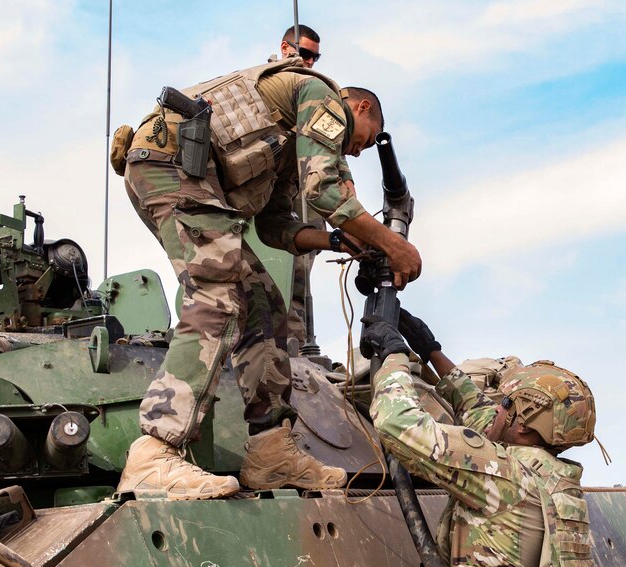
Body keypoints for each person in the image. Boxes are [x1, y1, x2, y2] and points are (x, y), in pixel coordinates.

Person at [115, 56, 421, 499]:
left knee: (262, 307)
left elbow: (273, 226)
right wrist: (394, 246)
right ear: (359, 109)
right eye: (365, 141)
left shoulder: (288, 140)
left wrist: (338, 242)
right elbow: (327, 190)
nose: (357, 151)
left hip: (187, 175)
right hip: (171, 167)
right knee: (217, 293)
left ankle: (271, 453)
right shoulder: (323, 97)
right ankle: (154, 454)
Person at [362, 311, 603, 567]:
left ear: (525, 422)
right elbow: (484, 423)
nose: (496, 409)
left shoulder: (505, 474)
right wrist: (432, 351)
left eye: (505, 404)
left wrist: (394, 357)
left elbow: (398, 422)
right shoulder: (549, 477)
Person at [270, 23, 352, 351]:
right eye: (304, 53)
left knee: (300, 277)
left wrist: (348, 193)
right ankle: (283, 349)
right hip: (268, 197)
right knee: (277, 278)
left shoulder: (315, 93)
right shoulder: (269, 83)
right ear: (285, 47)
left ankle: (298, 347)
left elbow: (330, 150)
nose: (309, 62)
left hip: (304, 193)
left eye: (315, 57)